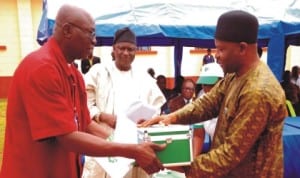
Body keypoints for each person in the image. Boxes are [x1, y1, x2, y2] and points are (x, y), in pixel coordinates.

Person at [0, 5, 166, 178]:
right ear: (67, 30)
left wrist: (133, 143)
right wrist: (131, 150)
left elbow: (86, 125)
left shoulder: (74, 73)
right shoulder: (42, 67)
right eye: (91, 33)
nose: (94, 41)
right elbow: (67, 137)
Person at [139, 10, 288, 178]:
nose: (216, 56)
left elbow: (231, 153)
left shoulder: (258, 91)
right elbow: (207, 103)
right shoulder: (235, 75)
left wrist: (184, 167)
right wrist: (170, 118)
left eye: (221, 49)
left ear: (242, 48)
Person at [84, 27, 166, 178]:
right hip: (104, 141)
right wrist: (102, 116)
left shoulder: (144, 77)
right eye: (121, 48)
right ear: (114, 49)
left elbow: (156, 109)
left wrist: (147, 120)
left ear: (136, 51)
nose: (126, 53)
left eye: (131, 49)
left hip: (135, 145)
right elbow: (84, 105)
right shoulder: (98, 72)